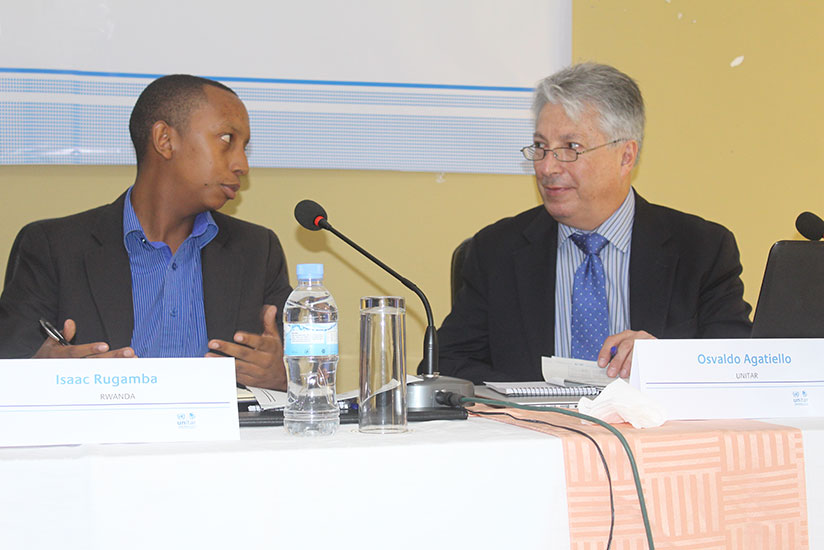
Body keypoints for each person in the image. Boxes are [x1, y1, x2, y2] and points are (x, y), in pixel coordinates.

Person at [431, 62, 752, 384]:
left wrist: (664, 361)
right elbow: (447, 362)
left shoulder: (701, 249)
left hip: (653, 432)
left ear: (626, 156)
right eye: (541, 147)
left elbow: (738, 365)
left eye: (571, 148)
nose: (547, 167)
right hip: (537, 430)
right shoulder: (496, 251)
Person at [0, 75, 292, 390]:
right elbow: (12, 375)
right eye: (226, 139)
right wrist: (35, 374)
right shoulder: (52, 248)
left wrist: (285, 377)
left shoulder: (257, 251)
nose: (242, 164)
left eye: (244, 147)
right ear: (164, 140)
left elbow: (310, 378)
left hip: (226, 439)